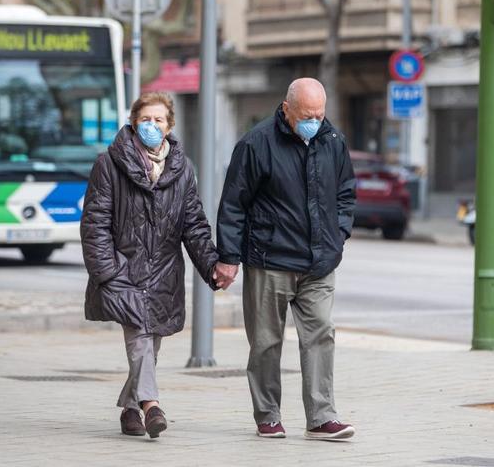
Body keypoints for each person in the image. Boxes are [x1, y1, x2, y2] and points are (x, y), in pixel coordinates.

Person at [80, 92, 235, 439]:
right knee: (140, 340)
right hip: (124, 271)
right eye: (146, 119)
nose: (152, 125)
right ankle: (152, 405)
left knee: (151, 345)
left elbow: (193, 224)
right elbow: (95, 224)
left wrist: (211, 263)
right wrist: (107, 272)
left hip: (164, 273)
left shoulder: (182, 169)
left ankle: (130, 409)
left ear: (170, 126)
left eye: (159, 120)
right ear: (135, 122)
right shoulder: (109, 164)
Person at [215, 78, 357, 441]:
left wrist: (337, 236)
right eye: (307, 115)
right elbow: (234, 204)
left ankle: (322, 417)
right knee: (265, 342)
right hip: (269, 259)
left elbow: (345, 194)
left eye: (320, 114)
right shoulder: (256, 143)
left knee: (321, 334)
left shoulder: (332, 141)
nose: (315, 121)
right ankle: (267, 415)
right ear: (286, 108)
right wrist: (229, 256)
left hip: (319, 262)